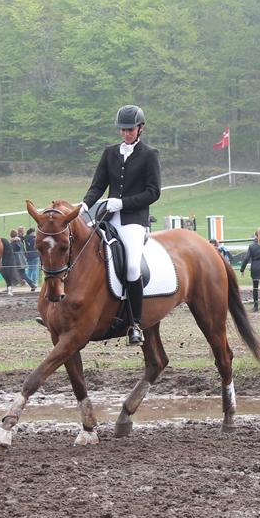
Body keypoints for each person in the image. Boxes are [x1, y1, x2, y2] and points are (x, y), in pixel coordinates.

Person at [80, 104, 161, 345]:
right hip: (106, 217)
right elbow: (98, 185)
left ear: (140, 128)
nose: (126, 133)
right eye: (122, 130)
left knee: (133, 268)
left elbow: (153, 192)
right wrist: (84, 205)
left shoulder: (149, 154)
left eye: (130, 129)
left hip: (133, 220)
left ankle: (135, 323)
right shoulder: (110, 153)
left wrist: (123, 203)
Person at [10, 226, 35, 291]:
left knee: (20, 274)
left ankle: (10, 287)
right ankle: (32, 285)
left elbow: (11, 253)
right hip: (22, 260)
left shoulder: (12, 243)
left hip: (17, 262)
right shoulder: (20, 242)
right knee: (22, 274)